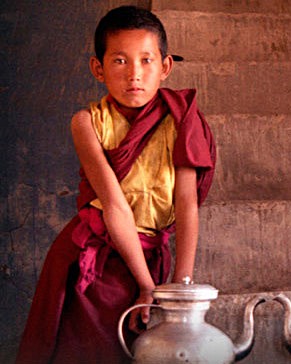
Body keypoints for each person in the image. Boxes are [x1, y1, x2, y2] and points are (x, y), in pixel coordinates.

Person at [15, 6, 215, 364]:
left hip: (150, 257)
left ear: (165, 66)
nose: (134, 75)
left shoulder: (181, 119)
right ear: (98, 68)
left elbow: (186, 205)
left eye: (146, 60)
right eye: (120, 61)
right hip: (96, 264)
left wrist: (180, 289)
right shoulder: (86, 123)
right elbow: (115, 205)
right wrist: (145, 285)